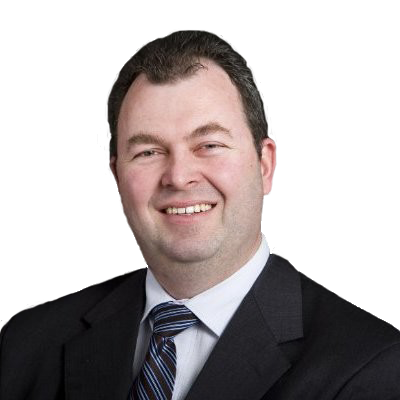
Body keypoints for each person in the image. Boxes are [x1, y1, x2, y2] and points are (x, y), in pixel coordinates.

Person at [0, 30, 399, 400]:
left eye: (208, 144)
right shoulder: (25, 343)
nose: (178, 176)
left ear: (265, 166)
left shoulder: (373, 366)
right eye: (148, 152)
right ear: (118, 177)